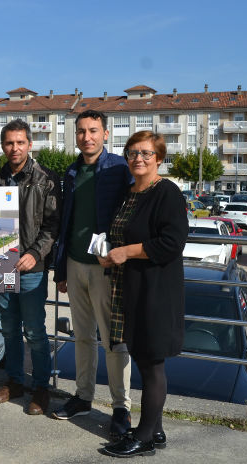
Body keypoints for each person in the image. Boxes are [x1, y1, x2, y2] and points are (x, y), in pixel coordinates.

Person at [101, 131, 188, 458]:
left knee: (151, 365)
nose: (138, 158)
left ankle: (144, 437)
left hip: (156, 292)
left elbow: (172, 242)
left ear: (159, 158)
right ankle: (157, 429)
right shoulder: (129, 193)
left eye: (146, 153)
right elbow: (120, 236)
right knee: (142, 359)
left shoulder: (166, 192)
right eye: (133, 153)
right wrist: (109, 253)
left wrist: (128, 252)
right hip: (131, 288)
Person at [52, 110, 134, 437]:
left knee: (114, 340)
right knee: (82, 337)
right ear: (76, 135)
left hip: (106, 269)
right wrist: (60, 270)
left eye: (93, 130)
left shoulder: (119, 168)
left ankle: (121, 407)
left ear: (105, 133)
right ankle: (83, 397)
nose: (87, 137)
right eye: (82, 131)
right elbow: (66, 224)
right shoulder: (71, 172)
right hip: (74, 264)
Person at [0, 119, 61, 415]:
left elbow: (52, 226)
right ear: (3, 146)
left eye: (20, 142)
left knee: (34, 331)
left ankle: (41, 388)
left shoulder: (46, 179)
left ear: (30, 144)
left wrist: (35, 253)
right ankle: (15, 382)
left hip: (32, 268)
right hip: (3, 266)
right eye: (9, 143)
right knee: (8, 329)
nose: (14, 148)